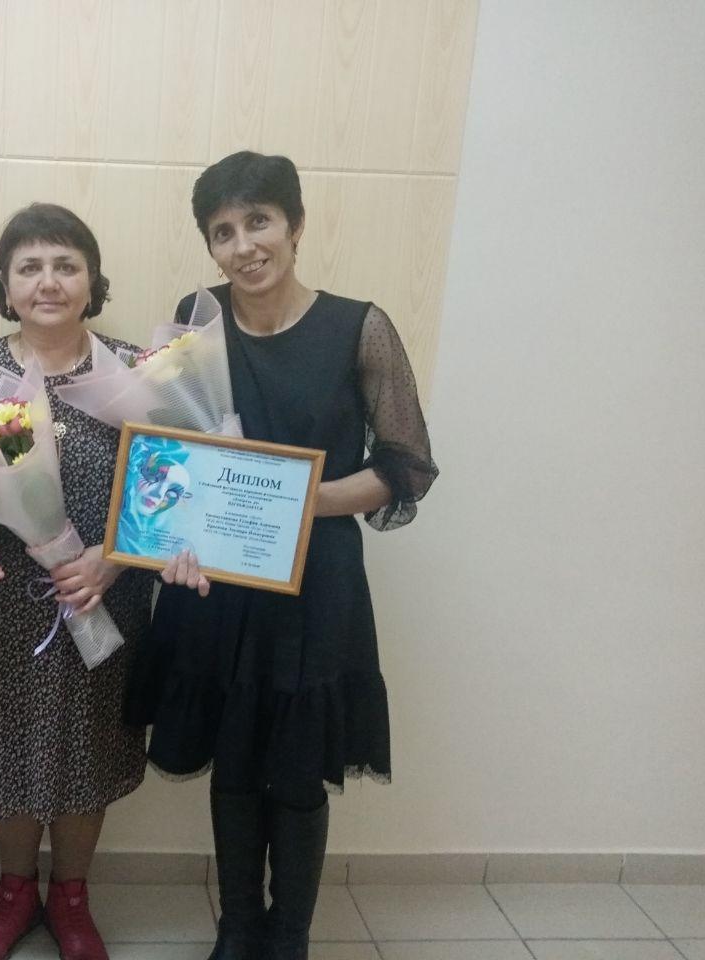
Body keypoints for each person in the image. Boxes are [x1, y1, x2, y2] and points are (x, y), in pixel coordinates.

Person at [125, 151, 438, 960]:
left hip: (316, 578)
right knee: (234, 758)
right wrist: (169, 536)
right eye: (222, 231)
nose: (243, 246)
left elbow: (405, 466)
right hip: (218, 578)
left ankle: (289, 933)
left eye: (258, 222)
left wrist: (301, 501)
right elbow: (171, 454)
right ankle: (237, 928)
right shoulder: (196, 317)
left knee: (297, 768)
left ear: (295, 226)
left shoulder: (359, 327)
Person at [0, 204, 153, 960]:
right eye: (29, 267)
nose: (49, 281)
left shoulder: (130, 369)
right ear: (5, 284)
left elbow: (166, 486)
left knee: (89, 742)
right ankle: (12, 894)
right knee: (8, 742)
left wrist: (113, 561)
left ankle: (71, 897)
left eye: (66, 265)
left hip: (105, 595)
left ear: (92, 280)